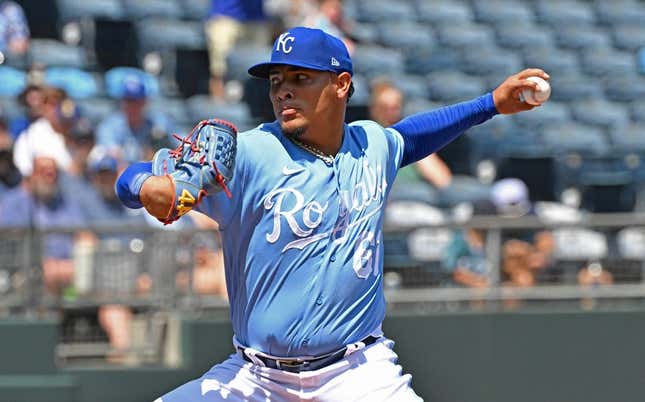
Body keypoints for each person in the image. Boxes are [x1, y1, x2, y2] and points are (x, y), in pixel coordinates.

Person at [115, 27, 548, 401]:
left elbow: (412, 137)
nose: (283, 89)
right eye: (276, 80)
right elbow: (135, 179)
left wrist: (490, 103)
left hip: (357, 374)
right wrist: (144, 186)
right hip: (257, 378)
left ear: (341, 84)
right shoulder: (248, 153)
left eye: (300, 78)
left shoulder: (372, 146)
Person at [96, 73, 174, 164]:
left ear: (145, 102)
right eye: (128, 101)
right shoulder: (110, 126)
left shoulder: (158, 123)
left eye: (136, 101)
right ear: (122, 102)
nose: (132, 106)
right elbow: (112, 155)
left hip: (152, 174)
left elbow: (183, 144)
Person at [204, 0, 272, 99]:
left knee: (260, 70)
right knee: (219, 70)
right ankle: (219, 103)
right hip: (224, 17)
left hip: (256, 18)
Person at [12, 86, 81, 177]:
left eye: (58, 103)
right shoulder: (31, 134)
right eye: (51, 104)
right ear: (43, 107)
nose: (54, 109)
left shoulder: (79, 131)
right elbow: (25, 170)